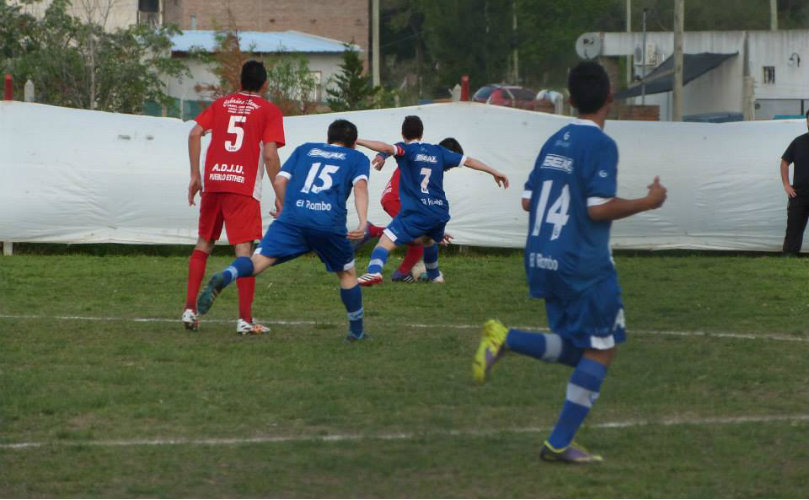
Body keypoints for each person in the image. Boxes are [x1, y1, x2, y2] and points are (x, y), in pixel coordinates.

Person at [473, 61, 667, 464]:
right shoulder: (600, 144)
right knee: (602, 349)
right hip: (583, 263)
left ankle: (506, 341)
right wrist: (648, 202)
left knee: (583, 348)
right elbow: (597, 208)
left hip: (543, 255)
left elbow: (529, 200)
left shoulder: (555, 138)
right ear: (610, 99)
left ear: (570, 99)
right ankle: (558, 442)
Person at [196, 119, 370, 342]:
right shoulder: (357, 158)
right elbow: (361, 187)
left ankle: (226, 275)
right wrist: (363, 221)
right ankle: (356, 332)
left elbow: (279, 181)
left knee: (257, 263)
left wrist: (287, 208)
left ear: (328, 138)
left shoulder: (306, 149)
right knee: (347, 273)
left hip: (292, 219)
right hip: (328, 222)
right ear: (354, 143)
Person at [182, 60, 285, 335]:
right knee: (244, 251)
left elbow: (194, 133)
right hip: (242, 186)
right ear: (265, 84)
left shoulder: (221, 104)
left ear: (239, 82)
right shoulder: (269, 110)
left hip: (214, 181)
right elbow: (270, 155)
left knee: (204, 243)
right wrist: (280, 194)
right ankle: (244, 320)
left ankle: (190, 311)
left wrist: (195, 175)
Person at [355, 116, 509, 286]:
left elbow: (386, 147)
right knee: (428, 239)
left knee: (385, 242)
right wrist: (494, 171)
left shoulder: (407, 150)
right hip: (439, 212)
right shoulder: (438, 151)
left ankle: (373, 272)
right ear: (422, 134)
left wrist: (357, 140)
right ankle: (435, 276)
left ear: (403, 133)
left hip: (417, 210)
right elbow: (470, 160)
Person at [360, 137, 465, 282]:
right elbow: (391, 148)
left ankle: (373, 234)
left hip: (394, 197)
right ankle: (401, 272)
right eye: (451, 162)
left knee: (416, 235)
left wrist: (434, 228)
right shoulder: (429, 160)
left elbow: (393, 148)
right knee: (418, 239)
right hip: (398, 198)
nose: (449, 166)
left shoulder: (423, 156)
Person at [780, 110, 809, 256]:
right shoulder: (798, 142)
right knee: (793, 230)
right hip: (799, 195)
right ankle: (789, 259)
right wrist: (786, 184)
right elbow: (784, 162)